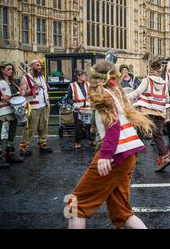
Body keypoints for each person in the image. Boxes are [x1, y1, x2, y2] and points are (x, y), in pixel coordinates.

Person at [66, 60, 153, 229]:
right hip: (128, 154)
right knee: (122, 212)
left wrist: (105, 155)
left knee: (75, 206)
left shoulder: (103, 94)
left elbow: (113, 125)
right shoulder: (114, 93)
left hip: (115, 154)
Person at [127, 58, 170, 172]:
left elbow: (137, 92)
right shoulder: (164, 83)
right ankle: (164, 158)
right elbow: (167, 99)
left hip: (146, 112)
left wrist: (124, 97)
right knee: (158, 135)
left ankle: (132, 159)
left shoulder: (147, 80)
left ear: (151, 69)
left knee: (139, 134)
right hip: (160, 112)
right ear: (159, 71)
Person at [19, 60, 52, 156]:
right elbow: (23, 93)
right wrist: (34, 88)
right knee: (30, 128)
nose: (39, 67)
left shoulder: (42, 76)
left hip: (45, 104)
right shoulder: (25, 78)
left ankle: (42, 143)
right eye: (37, 65)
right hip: (33, 106)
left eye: (40, 65)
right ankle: (23, 147)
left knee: (44, 126)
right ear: (31, 66)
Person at [0, 61, 24, 169]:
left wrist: (21, 92)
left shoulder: (13, 81)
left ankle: (10, 154)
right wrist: (0, 97)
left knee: (12, 132)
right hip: (1, 111)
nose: (11, 71)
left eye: (11, 69)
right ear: (2, 69)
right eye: (8, 69)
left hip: (12, 110)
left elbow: (17, 93)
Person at [67, 70, 94, 150]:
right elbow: (68, 98)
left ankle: (91, 139)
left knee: (89, 125)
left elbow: (91, 95)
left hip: (87, 108)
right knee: (78, 126)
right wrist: (73, 104)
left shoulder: (88, 84)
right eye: (83, 75)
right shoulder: (72, 85)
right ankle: (78, 142)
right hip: (77, 108)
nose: (85, 77)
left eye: (85, 75)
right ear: (78, 76)